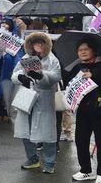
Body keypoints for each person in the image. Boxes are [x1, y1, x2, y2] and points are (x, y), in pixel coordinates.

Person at [67, 39, 101, 183]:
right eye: (80, 50)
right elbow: (70, 85)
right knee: (81, 141)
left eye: (86, 49)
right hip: (83, 112)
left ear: (93, 50)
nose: (82, 52)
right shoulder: (77, 67)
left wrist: (94, 76)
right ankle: (85, 170)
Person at [11, 32, 62, 173]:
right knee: (25, 130)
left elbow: (56, 76)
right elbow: (14, 74)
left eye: (41, 43)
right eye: (35, 43)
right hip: (27, 98)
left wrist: (41, 76)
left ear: (46, 45)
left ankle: (49, 162)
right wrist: (21, 77)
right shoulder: (26, 57)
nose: (38, 46)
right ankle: (32, 158)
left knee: (48, 133)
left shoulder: (52, 60)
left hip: (44, 100)